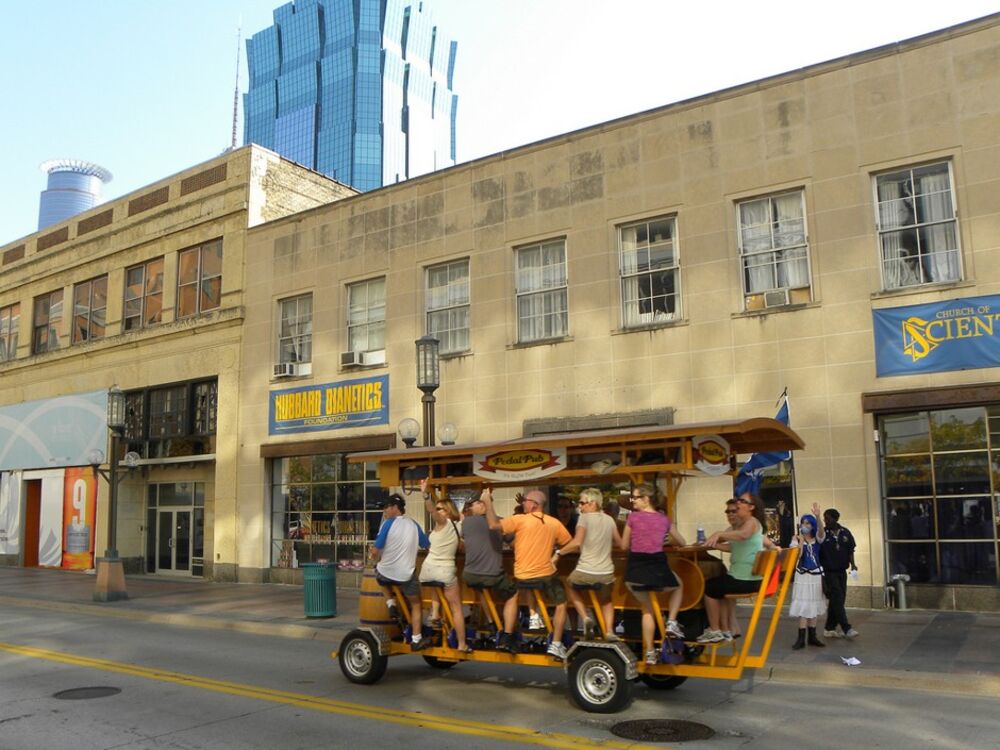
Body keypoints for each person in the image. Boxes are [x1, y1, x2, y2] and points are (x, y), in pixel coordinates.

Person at [482, 487, 572, 659]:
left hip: (522, 576)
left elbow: (493, 525)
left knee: (514, 593)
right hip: (545, 575)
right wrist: (557, 555)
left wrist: (487, 502)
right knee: (562, 603)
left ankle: (529, 619)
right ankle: (556, 643)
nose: (523, 503)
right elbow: (569, 542)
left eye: (526, 501)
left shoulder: (519, 520)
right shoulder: (554, 523)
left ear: (534, 505)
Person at [619, 483, 686, 665]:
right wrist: (665, 538)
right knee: (678, 585)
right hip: (657, 569)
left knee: (647, 610)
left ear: (646, 499)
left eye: (635, 497)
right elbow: (682, 541)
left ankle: (649, 651)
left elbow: (624, 546)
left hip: (635, 571)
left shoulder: (632, 518)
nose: (633, 501)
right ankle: (671, 621)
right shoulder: (664, 519)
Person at [698, 494, 767, 644]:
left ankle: (715, 630)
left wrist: (719, 533)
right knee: (719, 585)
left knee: (709, 588)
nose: (738, 504)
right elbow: (733, 547)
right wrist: (712, 543)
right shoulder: (742, 524)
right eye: (738, 501)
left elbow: (743, 535)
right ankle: (725, 629)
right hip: (745, 577)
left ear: (751, 507)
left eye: (742, 501)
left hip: (746, 579)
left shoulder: (751, 521)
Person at [557, 487, 623, 640]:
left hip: (585, 571)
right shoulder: (609, 519)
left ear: (593, 503)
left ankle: (586, 617)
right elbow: (620, 544)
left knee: (569, 585)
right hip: (606, 573)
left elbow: (577, 542)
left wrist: (558, 553)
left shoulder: (584, 519)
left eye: (582, 503)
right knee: (606, 601)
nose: (579, 507)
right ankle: (609, 631)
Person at [371, 494, 432, 650]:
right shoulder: (414, 524)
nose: (384, 510)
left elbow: (376, 549)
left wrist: (374, 558)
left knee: (377, 572)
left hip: (385, 573)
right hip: (406, 575)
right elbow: (427, 545)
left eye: (386, 507)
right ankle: (416, 639)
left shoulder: (387, 524)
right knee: (416, 604)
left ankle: (391, 603)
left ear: (394, 508)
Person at [418, 479, 471, 652]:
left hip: (427, 571)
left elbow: (431, 510)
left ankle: (435, 614)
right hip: (444, 571)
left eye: (441, 509)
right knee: (457, 608)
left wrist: (426, 494)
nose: (438, 511)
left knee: (437, 584)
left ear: (447, 512)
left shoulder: (443, 523)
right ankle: (462, 644)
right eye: (439, 508)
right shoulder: (459, 526)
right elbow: (462, 546)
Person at [459, 488, 517, 628]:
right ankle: (507, 629)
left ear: (481, 504)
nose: (470, 509)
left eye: (471, 505)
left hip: (469, 575)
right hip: (492, 575)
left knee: (481, 589)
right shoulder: (501, 522)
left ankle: (492, 621)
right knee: (513, 593)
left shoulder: (466, 523)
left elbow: (464, 545)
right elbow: (514, 543)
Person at [789, 503, 827, 649]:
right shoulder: (796, 539)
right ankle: (801, 638)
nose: (804, 525)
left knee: (814, 603)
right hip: (802, 575)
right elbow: (796, 557)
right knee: (803, 604)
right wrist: (800, 542)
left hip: (816, 575)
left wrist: (818, 516)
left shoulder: (817, 538)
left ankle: (813, 636)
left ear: (811, 525)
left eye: (807, 523)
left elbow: (822, 533)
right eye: (803, 523)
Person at [820, 508, 858, 639]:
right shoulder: (823, 534)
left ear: (835, 519)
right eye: (824, 518)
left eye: (828, 518)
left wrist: (853, 564)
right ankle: (846, 628)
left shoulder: (845, 532)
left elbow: (851, 550)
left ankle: (829, 628)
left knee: (839, 600)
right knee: (837, 597)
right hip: (829, 572)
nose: (826, 521)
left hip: (842, 571)